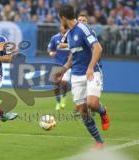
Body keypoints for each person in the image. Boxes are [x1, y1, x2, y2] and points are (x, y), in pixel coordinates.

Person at [56, 4, 110, 151]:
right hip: (77, 76)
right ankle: (99, 141)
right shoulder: (69, 34)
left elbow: (98, 48)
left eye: (59, 19)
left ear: (63, 18)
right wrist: (63, 69)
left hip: (92, 72)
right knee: (82, 111)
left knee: (92, 104)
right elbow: (74, 54)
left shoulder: (83, 29)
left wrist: (91, 67)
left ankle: (103, 111)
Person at [47, 24, 71, 111]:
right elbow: (50, 48)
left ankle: (63, 98)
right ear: (60, 27)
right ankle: (58, 102)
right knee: (56, 84)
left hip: (67, 65)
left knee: (64, 83)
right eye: (63, 26)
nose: (64, 28)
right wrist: (51, 53)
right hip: (57, 64)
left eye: (66, 27)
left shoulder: (71, 38)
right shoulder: (55, 38)